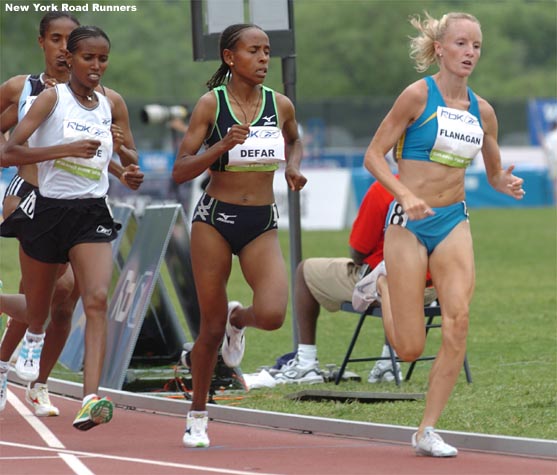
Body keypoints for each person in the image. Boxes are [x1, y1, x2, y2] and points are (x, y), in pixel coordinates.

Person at [364, 12, 525, 457]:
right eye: (460, 43)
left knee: (459, 321)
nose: (469, 52)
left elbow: (493, 172)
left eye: (476, 45)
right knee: (412, 348)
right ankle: (382, 285)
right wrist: (403, 193)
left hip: (453, 220)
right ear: (440, 48)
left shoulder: (483, 111)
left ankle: (427, 430)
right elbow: (373, 157)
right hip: (407, 224)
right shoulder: (417, 96)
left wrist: (504, 182)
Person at [0, 13, 142, 418]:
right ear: (49, 45)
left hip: (90, 210)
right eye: (86, 57)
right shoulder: (35, 92)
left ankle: (87, 396)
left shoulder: (110, 102)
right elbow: (8, 149)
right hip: (37, 200)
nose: (95, 65)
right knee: (40, 305)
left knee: (90, 299)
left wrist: (126, 167)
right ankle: (21, 344)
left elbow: (113, 154)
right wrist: (61, 151)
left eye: (103, 59)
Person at [172, 23, 306, 448]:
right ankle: (197, 415)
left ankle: (239, 319)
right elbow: (180, 170)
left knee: (271, 315)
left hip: (260, 221)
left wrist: (291, 167)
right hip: (214, 219)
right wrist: (221, 147)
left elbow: (295, 140)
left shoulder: (279, 104)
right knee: (208, 329)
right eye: (254, 51)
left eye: (267, 51)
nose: (264, 58)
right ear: (230, 57)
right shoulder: (210, 105)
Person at [273, 176, 438, 385]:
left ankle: (305, 364)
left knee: (305, 271)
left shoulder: (383, 189)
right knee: (391, 274)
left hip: (391, 287)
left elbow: (358, 251)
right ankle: (388, 360)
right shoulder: (445, 188)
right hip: (432, 289)